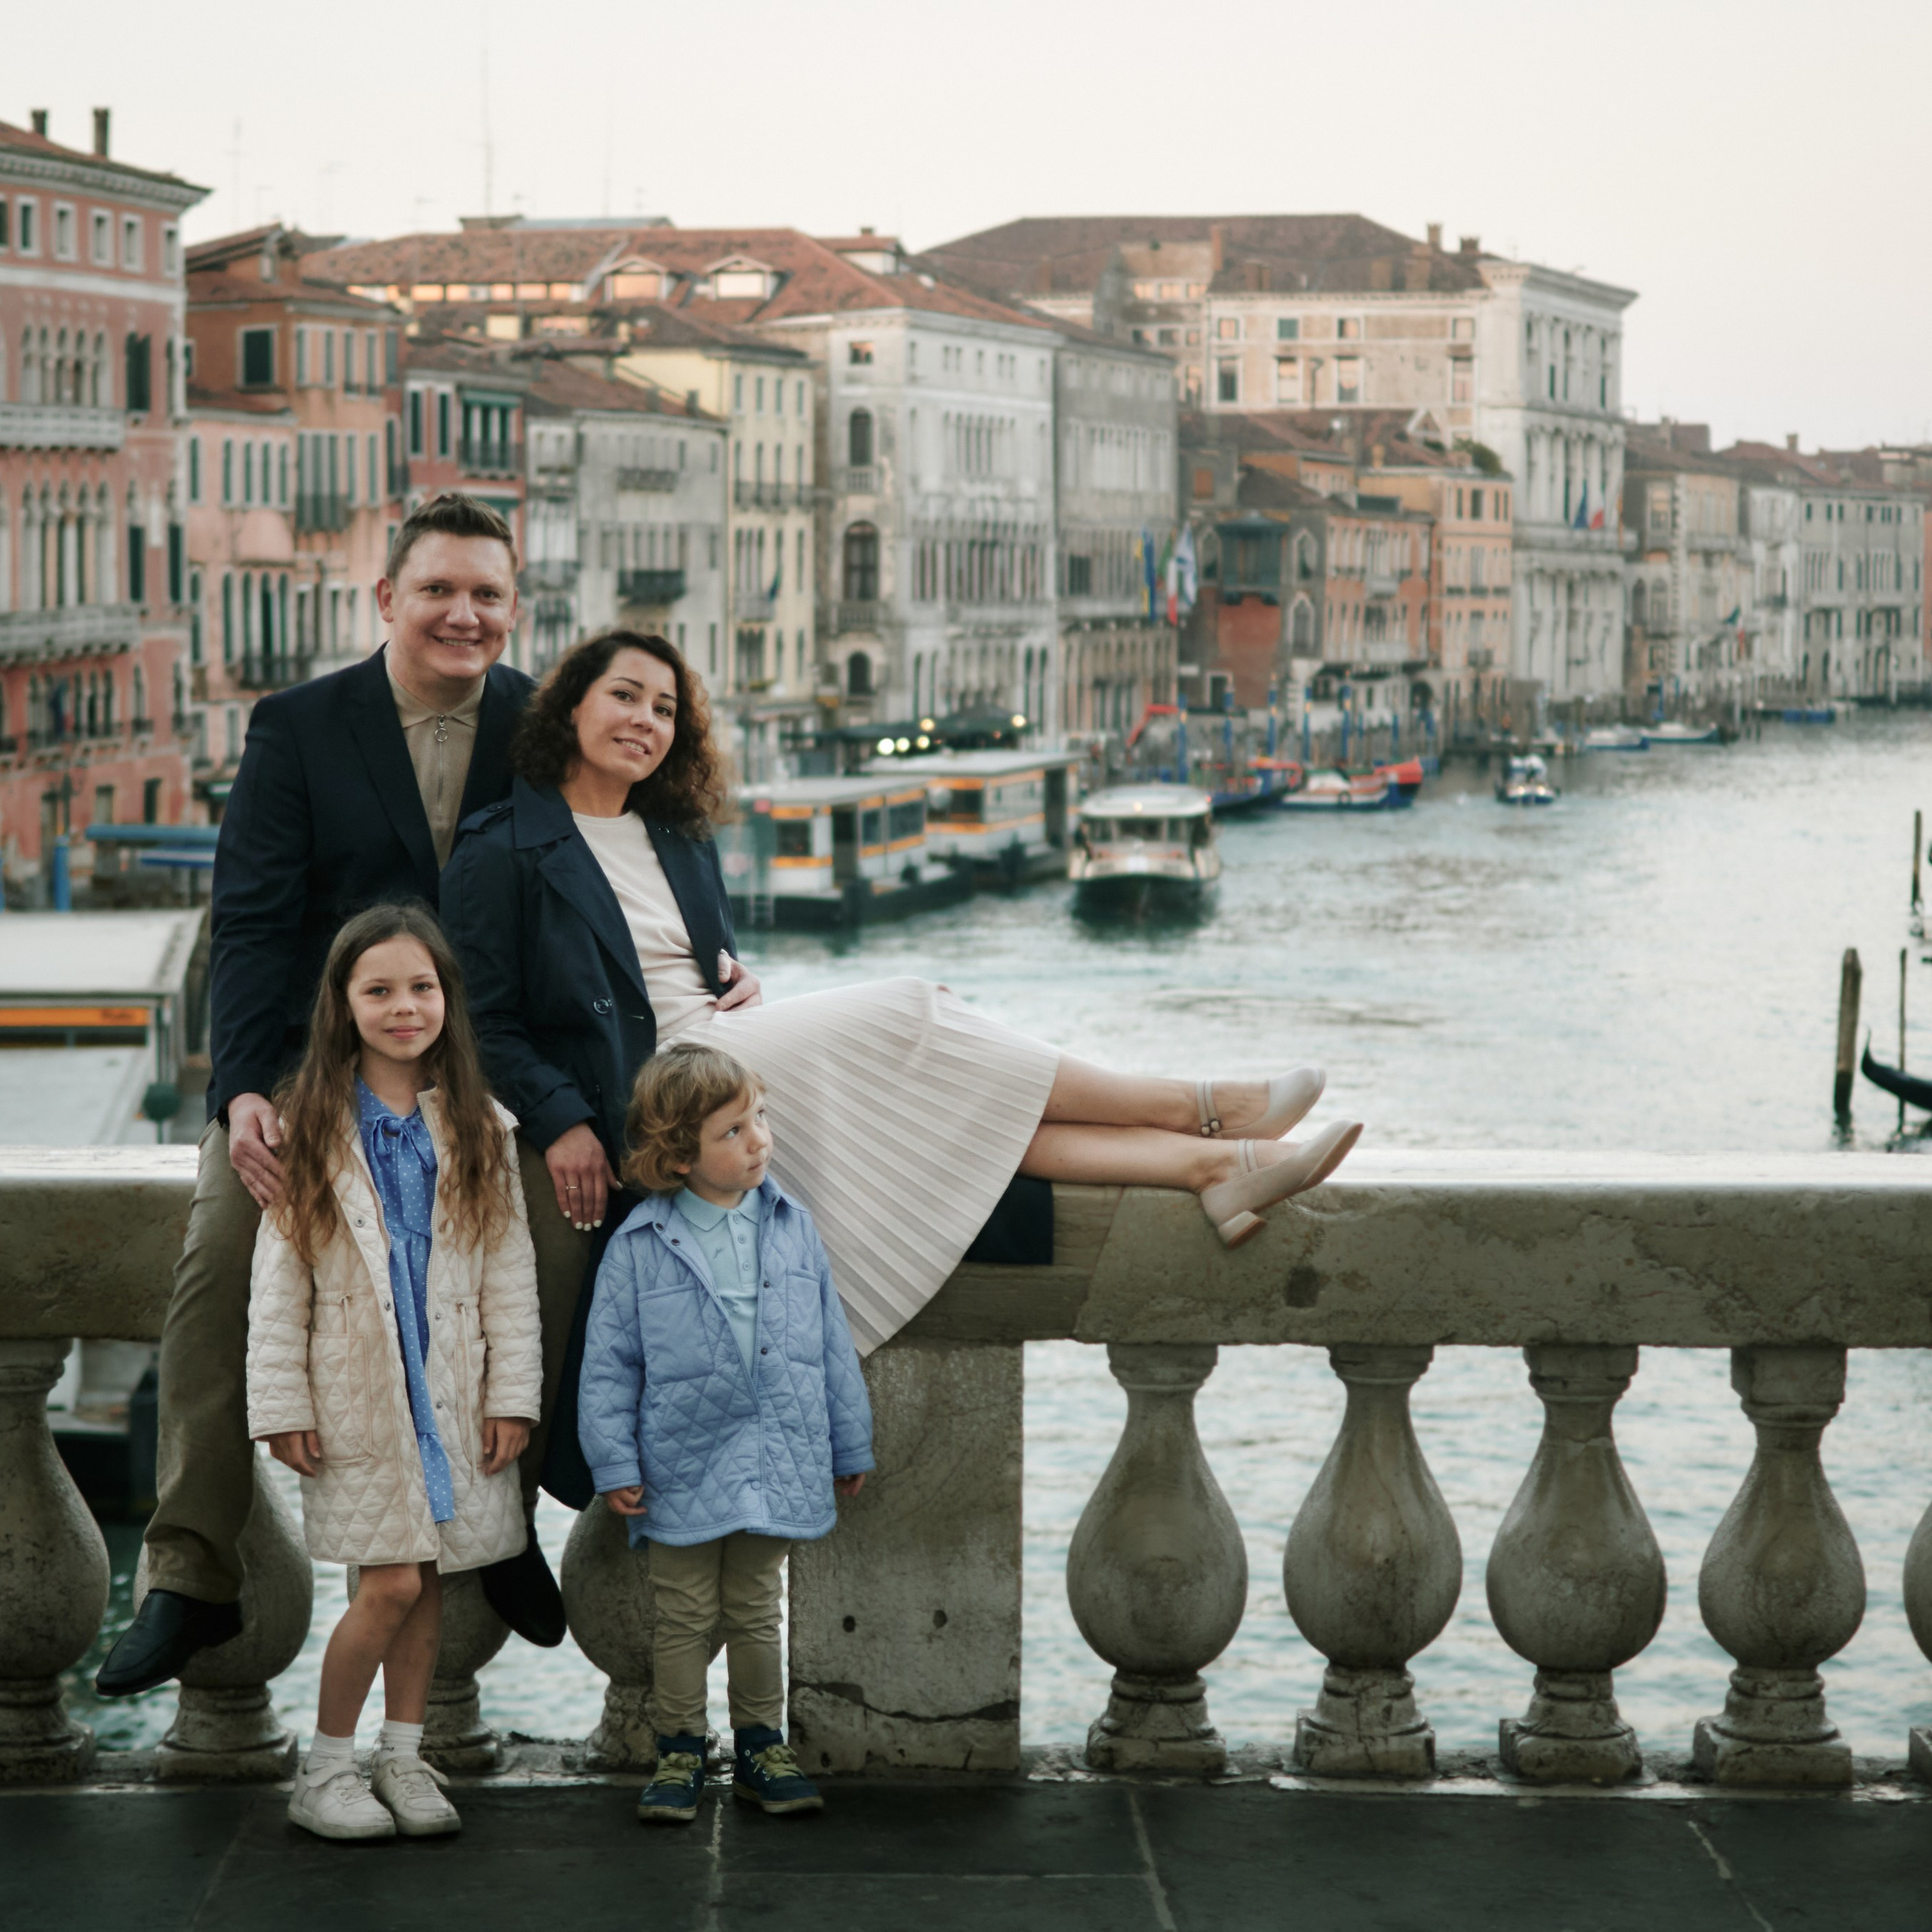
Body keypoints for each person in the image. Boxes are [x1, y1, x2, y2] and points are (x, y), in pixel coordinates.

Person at [439, 629, 1361, 1367]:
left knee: (967, 1105)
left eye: (665, 707)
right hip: (651, 1081)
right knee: (915, 1007)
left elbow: (694, 961)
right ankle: (1202, 1106)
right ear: (571, 707)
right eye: (625, 697)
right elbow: (484, 1022)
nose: (645, 719)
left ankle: (1210, 1169)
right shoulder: (501, 847)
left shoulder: (677, 832)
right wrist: (562, 1120)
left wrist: (741, 976)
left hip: (729, 1040)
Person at [97, 494, 560, 1701]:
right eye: (440, 591)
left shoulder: (544, 726)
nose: (465, 614)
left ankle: (508, 1535)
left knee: (561, 1260)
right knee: (218, 1267)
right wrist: (243, 1089)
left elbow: (623, 885)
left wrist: (716, 965)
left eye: (488, 595)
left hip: (491, 1076)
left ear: (515, 609)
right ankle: (190, 1574)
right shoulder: (298, 725)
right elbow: (247, 921)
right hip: (317, 1070)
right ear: (387, 602)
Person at [248, 904, 542, 1841]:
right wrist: (281, 1401)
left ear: (449, 1000)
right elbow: (277, 1281)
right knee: (391, 1586)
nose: (404, 1006)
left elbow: (510, 1274)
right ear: (343, 1004)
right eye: (378, 990)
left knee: (434, 1582)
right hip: (360, 1391)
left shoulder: (480, 1128)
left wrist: (512, 1395)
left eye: (422, 987)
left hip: (449, 1382)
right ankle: (327, 1767)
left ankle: (404, 1758)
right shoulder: (311, 1129)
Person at [577, 1040, 872, 1823]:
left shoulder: (790, 1225)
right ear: (678, 1155)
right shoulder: (639, 1243)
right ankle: (679, 1748)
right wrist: (613, 1463)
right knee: (680, 1610)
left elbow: (829, 1342)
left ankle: (760, 1747)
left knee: (753, 1605)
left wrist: (851, 1441)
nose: (759, 1141)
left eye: (760, 1119)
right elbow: (608, 1364)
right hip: (680, 1451)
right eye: (733, 1131)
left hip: (777, 1445)